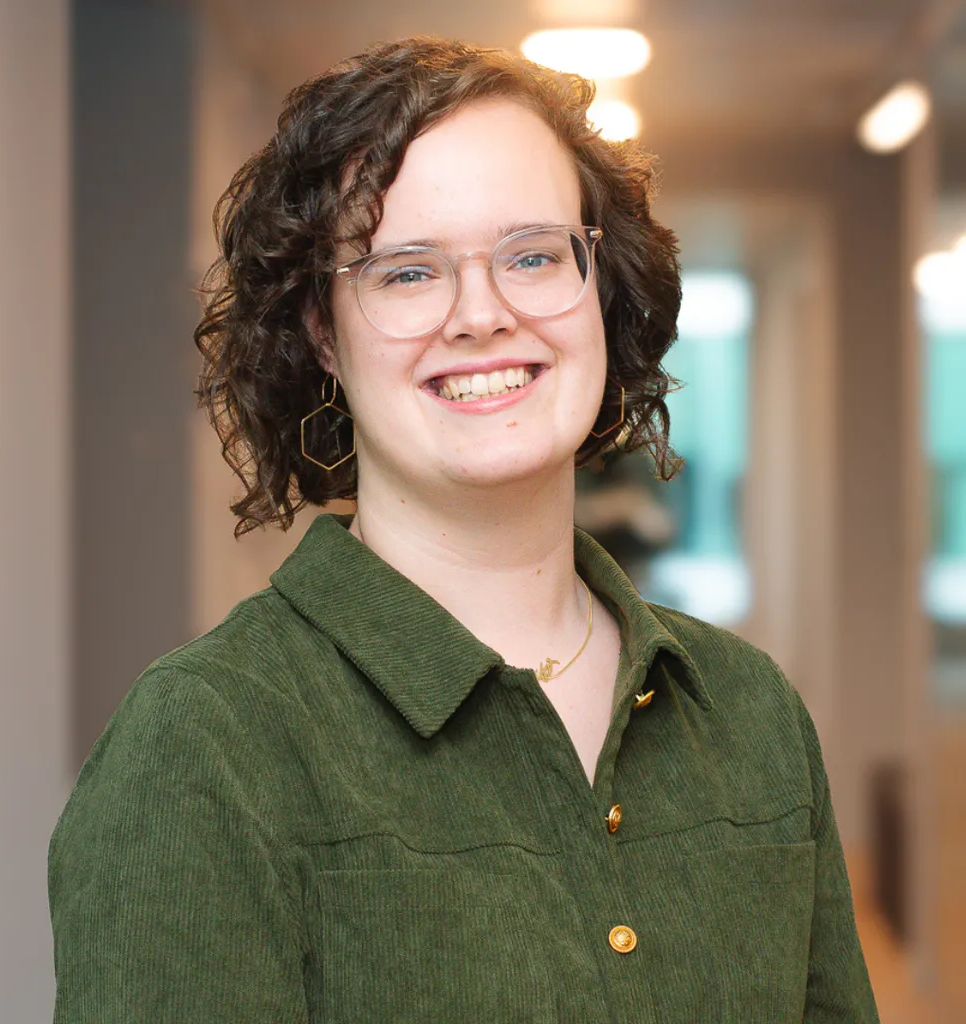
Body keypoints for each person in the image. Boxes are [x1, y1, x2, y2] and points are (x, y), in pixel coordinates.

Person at [48, 36, 880, 1023]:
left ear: (600, 292)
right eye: (407, 273)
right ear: (323, 329)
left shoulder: (750, 715)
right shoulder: (203, 746)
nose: (481, 314)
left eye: (531, 254)